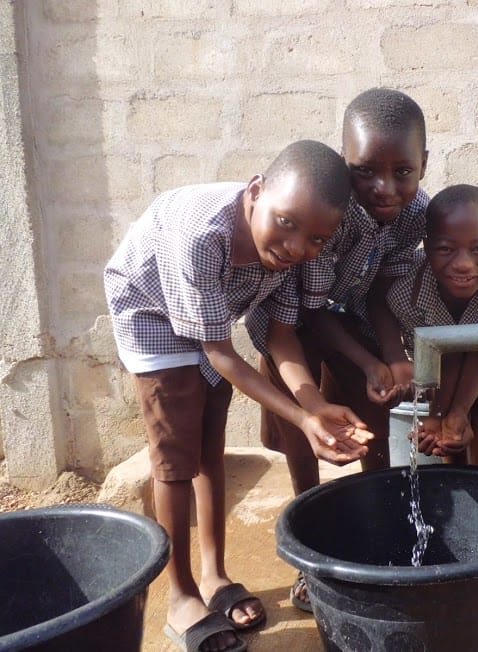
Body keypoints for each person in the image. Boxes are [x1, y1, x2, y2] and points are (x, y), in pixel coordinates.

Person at [104, 140, 374, 652]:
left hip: (211, 318)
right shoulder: (201, 234)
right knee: (176, 459)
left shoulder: (299, 252)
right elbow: (223, 356)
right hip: (151, 313)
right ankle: (180, 595)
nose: (296, 246)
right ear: (256, 191)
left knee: (210, 444)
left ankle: (213, 575)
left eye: (316, 239)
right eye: (286, 223)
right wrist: (300, 418)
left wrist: (313, 404)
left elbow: (278, 334)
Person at [254, 87, 429, 611]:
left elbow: (380, 288)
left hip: (352, 320)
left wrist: (391, 355)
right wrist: (369, 359)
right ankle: (310, 554)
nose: (384, 187)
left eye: (403, 171)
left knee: (372, 429)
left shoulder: (416, 214)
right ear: (344, 159)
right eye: (365, 171)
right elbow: (307, 313)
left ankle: (379, 537)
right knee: (305, 444)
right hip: (294, 328)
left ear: (425, 163)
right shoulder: (327, 212)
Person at [386, 184, 478, 466]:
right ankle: (455, 471)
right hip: (436, 360)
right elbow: (430, 363)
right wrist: (438, 415)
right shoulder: (406, 291)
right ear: (427, 248)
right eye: (447, 249)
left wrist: (460, 409)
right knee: (448, 432)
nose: (463, 264)